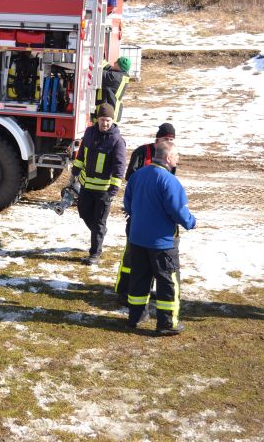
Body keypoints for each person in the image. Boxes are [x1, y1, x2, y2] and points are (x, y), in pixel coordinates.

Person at [123, 143, 197, 335]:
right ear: (167, 158)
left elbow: (128, 204)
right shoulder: (170, 181)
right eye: (176, 156)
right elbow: (178, 210)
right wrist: (191, 222)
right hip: (162, 242)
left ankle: (136, 316)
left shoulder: (138, 175)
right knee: (167, 282)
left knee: (139, 278)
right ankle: (167, 323)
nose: (178, 160)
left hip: (138, 238)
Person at [115, 124, 177, 304]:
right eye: (166, 139)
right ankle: (123, 289)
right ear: (157, 139)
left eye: (171, 140)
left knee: (150, 257)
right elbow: (130, 176)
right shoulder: (142, 152)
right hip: (138, 211)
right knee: (131, 255)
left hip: (156, 215)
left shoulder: (170, 158)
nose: (168, 142)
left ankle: (144, 290)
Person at [71, 103, 126, 265]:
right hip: (86, 186)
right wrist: (74, 172)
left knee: (98, 222)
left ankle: (95, 253)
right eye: (102, 120)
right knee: (83, 212)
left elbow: (119, 167)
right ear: (98, 120)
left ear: (112, 120)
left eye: (108, 120)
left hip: (104, 191)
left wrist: (113, 191)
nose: (105, 124)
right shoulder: (89, 133)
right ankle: (99, 233)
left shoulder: (117, 141)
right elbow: (81, 155)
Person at [93, 56, 131, 122]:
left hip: (109, 114)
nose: (114, 62)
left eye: (116, 62)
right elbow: (108, 67)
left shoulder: (114, 77)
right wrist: (99, 57)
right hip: (110, 111)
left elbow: (99, 73)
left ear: (119, 67)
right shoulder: (121, 75)